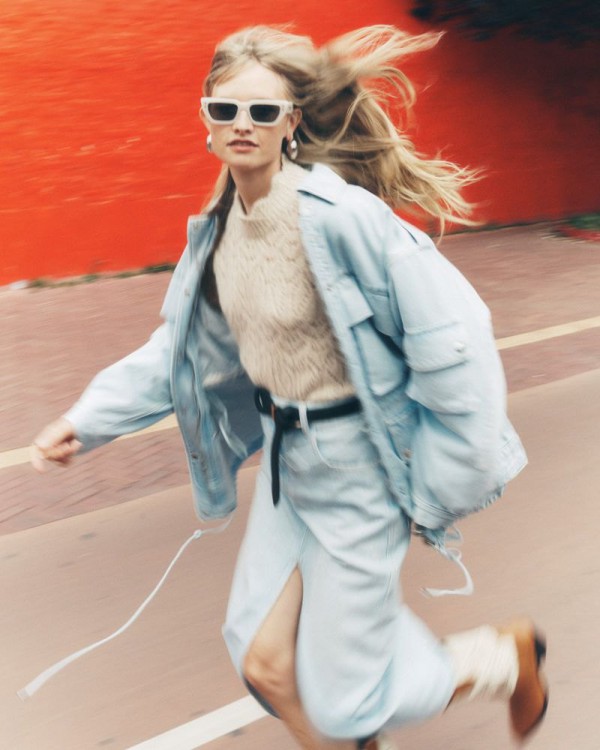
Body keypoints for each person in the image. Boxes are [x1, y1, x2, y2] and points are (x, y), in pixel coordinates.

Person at [31, 25, 548, 750]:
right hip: (288, 462)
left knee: (344, 708)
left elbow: (452, 336)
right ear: (206, 119)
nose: (243, 125)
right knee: (265, 664)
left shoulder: (341, 219)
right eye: (226, 110)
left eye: (263, 112)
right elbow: (184, 352)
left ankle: (500, 660)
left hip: (360, 472)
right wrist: (86, 420)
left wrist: (447, 474)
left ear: (291, 122)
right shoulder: (219, 233)